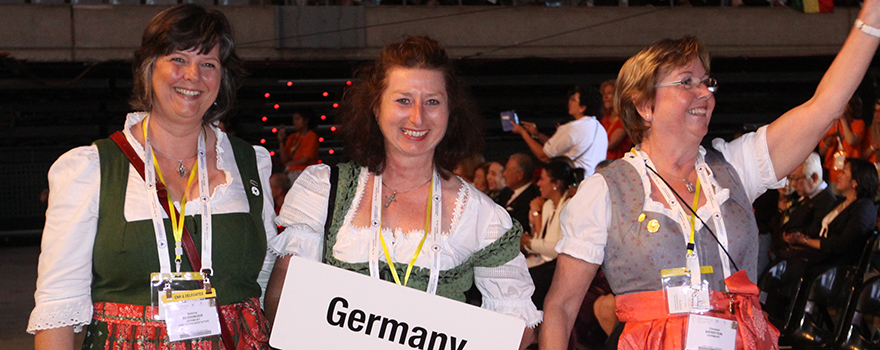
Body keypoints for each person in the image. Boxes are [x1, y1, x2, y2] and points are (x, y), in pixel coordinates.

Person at [541, 8, 880, 347]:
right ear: (645, 106)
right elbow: (561, 306)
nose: (704, 92)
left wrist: (871, 20)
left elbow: (824, 107)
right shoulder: (604, 191)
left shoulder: (736, 166)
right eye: (686, 81)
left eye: (706, 82)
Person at [263, 36, 541, 349]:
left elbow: (516, 329)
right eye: (403, 100)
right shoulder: (325, 191)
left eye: (433, 101)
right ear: (375, 105)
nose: (417, 117)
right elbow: (283, 301)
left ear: (451, 112)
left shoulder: (481, 216)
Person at [29, 4, 276, 349]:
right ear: (149, 69)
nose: (193, 75)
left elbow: (263, 283)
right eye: (178, 59)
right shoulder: (92, 169)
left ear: (223, 78)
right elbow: (58, 308)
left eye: (208, 64)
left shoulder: (251, 164)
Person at [783, 158, 878, 269]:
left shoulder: (864, 208)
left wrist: (804, 241)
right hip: (822, 257)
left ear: (855, 182)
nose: (838, 175)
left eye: (843, 172)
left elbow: (842, 244)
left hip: (837, 267)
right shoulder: (841, 202)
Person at [523, 157, 582, 310]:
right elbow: (539, 241)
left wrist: (529, 243)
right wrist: (535, 215)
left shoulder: (570, 206)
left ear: (556, 184)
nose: (538, 184)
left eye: (542, 179)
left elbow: (558, 248)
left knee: (526, 280)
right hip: (543, 262)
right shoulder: (548, 205)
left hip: (559, 267)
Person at [511, 86, 608, 176]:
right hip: (594, 182)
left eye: (573, 100)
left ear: (582, 108)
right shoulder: (600, 129)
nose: (569, 102)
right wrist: (537, 135)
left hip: (576, 184)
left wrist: (522, 132)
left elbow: (544, 155)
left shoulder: (572, 128)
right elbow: (559, 146)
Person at [819, 95, 865, 190]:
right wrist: (828, 143)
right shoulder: (831, 125)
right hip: (834, 173)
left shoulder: (858, 124)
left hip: (851, 174)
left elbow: (850, 140)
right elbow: (822, 152)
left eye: (844, 104)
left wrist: (843, 120)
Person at [499, 153, 542, 237]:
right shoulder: (505, 193)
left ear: (520, 175)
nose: (504, 174)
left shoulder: (531, 197)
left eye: (507, 170)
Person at [276, 110, 319, 184]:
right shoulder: (292, 137)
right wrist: (281, 142)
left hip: (305, 171)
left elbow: (305, 159)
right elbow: (284, 159)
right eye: (294, 119)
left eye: (297, 119)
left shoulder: (311, 136)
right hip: (290, 171)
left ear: (306, 121)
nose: (294, 122)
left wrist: (288, 164)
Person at [598, 79, 633, 161]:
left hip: (617, 166)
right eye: (604, 94)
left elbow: (610, 144)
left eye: (609, 93)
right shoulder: (605, 119)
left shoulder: (624, 120)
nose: (605, 97)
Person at [861, 98, 880, 163]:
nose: (877, 114)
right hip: (874, 168)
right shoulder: (869, 130)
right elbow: (862, 155)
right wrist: (873, 147)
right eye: (875, 111)